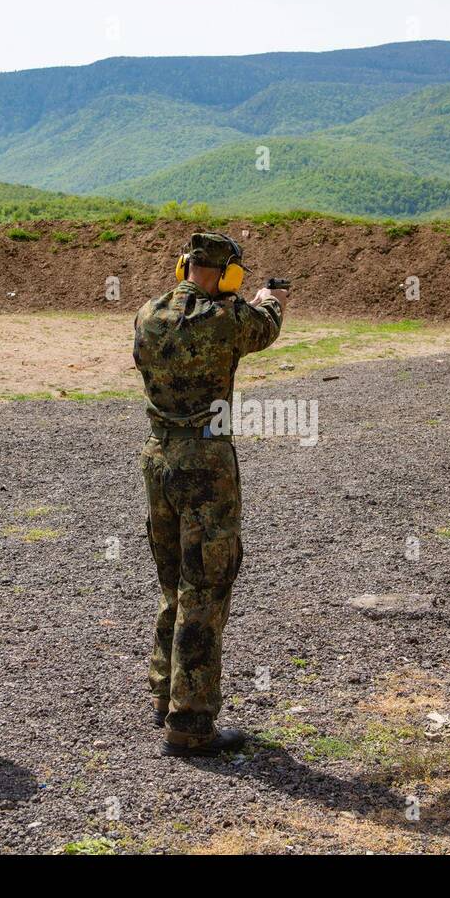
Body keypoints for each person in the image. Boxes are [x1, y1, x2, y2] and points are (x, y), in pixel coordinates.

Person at [133, 231, 287, 756]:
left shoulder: (148, 313)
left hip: (159, 458)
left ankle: (164, 689)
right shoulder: (228, 320)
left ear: (183, 266)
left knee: (173, 580)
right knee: (207, 585)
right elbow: (266, 328)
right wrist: (271, 300)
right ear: (227, 276)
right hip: (205, 462)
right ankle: (191, 719)